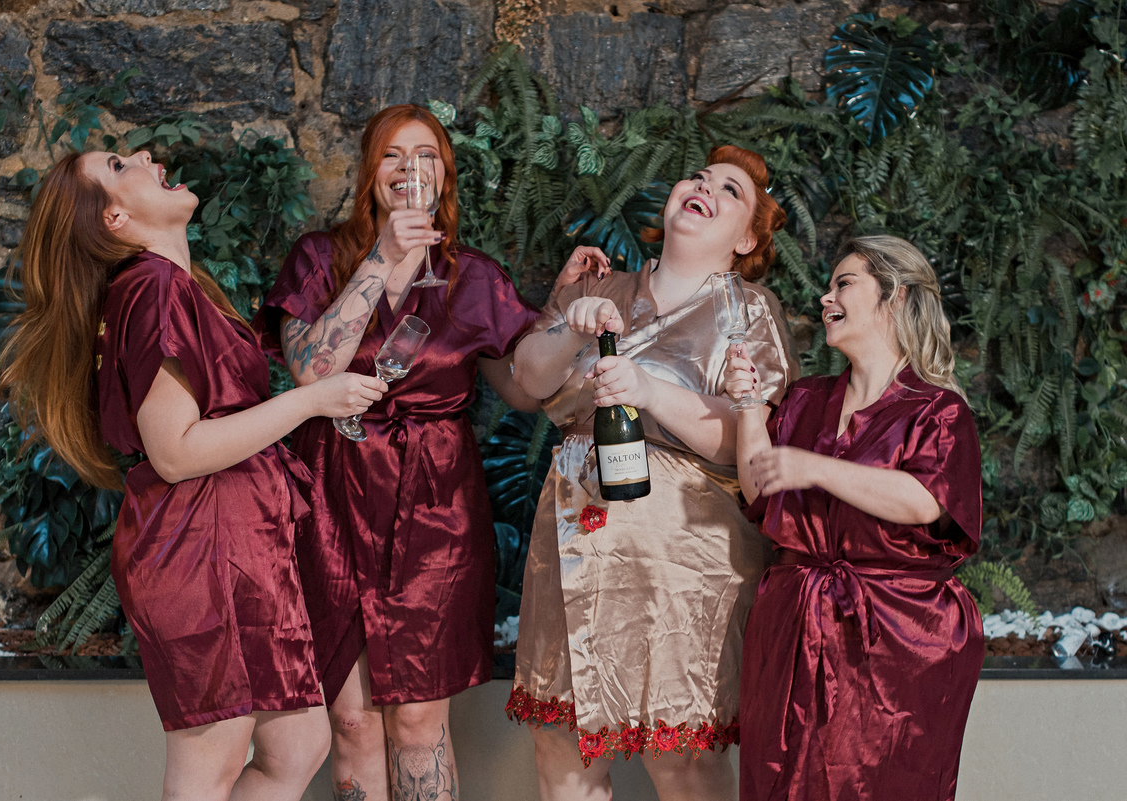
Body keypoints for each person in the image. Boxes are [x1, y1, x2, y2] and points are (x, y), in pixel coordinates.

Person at [0, 150, 388, 801]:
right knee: (213, 757)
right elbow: (173, 450)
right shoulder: (151, 288)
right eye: (119, 163)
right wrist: (312, 400)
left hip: (241, 539)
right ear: (114, 217)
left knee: (299, 743)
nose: (144, 156)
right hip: (199, 546)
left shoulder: (176, 285)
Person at [257, 103, 588, 801]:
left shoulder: (474, 277)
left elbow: (523, 389)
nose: (411, 168)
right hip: (334, 497)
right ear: (369, 173)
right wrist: (382, 258)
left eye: (427, 155)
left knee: (415, 719)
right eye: (393, 155)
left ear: (446, 175)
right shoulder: (320, 258)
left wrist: (561, 311)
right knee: (351, 721)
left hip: (436, 504)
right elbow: (312, 371)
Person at [508, 144, 798, 801]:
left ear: (747, 238)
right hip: (575, 535)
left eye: (730, 190)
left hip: (686, 554)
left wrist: (649, 390)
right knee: (562, 747)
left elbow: (747, 441)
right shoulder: (599, 288)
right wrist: (571, 327)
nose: (705, 187)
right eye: (698, 176)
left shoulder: (749, 310)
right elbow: (528, 378)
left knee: (684, 756)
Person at [728, 235, 984, 801]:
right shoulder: (804, 399)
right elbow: (761, 489)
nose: (826, 297)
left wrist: (815, 467)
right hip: (793, 623)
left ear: (896, 296)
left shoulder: (938, 410)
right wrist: (747, 407)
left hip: (899, 636)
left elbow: (925, 501)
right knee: (781, 782)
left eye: (844, 283)